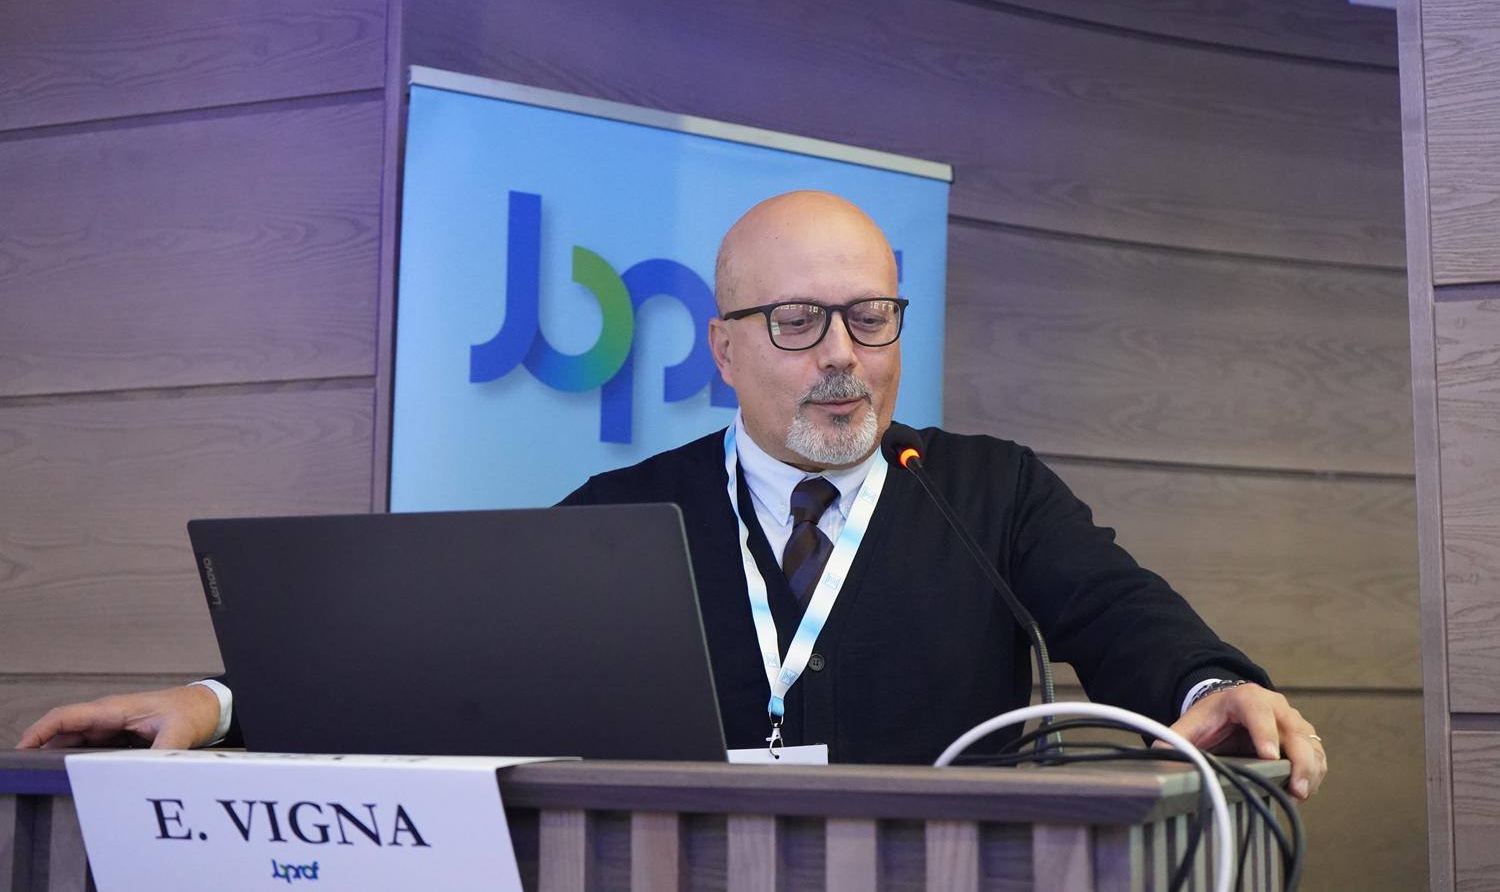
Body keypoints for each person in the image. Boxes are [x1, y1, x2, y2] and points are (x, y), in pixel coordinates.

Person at [16, 191, 1327, 801]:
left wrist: (1213, 685)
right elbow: (438, 659)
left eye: (869, 318)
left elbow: (1126, 616)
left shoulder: (986, 490)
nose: (841, 357)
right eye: (800, 321)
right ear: (725, 349)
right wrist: (221, 702)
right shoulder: (625, 508)